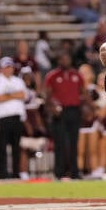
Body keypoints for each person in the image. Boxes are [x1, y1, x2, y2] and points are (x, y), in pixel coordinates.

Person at [44, 52, 85, 180]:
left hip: (74, 110)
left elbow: (83, 93)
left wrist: (90, 108)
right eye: (63, 58)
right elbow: (47, 96)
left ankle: (74, 172)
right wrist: (52, 108)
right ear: (59, 61)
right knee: (60, 143)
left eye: (67, 58)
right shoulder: (52, 76)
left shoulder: (76, 75)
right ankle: (59, 172)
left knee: (74, 143)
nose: (65, 61)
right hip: (60, 113)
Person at [0, 57, 26, 180]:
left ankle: (16, 173)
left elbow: (23, 95)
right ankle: (1, 174)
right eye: (6, 67)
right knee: (1, 148)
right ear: (1, 68)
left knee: (16, 148)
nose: (9, 69)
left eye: (10, 67)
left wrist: (7, 96)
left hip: (16, 117)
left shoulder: (18, 81)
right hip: (2, 117)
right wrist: (15, 95)